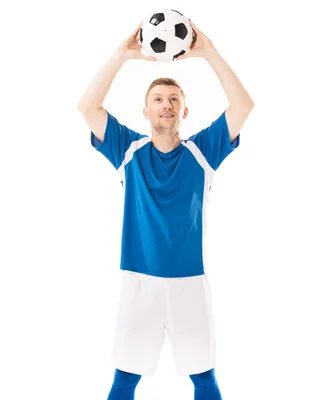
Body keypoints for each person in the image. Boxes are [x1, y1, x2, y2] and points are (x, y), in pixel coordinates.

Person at [77, 18, 254, 400]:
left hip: (189, 282)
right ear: (146, 111)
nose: (166, 105)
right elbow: (87, 106)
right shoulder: (127, 150)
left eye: (174, 99)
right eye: (158, 99)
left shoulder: (203, 152)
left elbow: (244, 105)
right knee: (124, 381)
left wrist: (208, 52)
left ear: (185, 112)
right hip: (139, 282)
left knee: (204, 380)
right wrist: (123, 55)